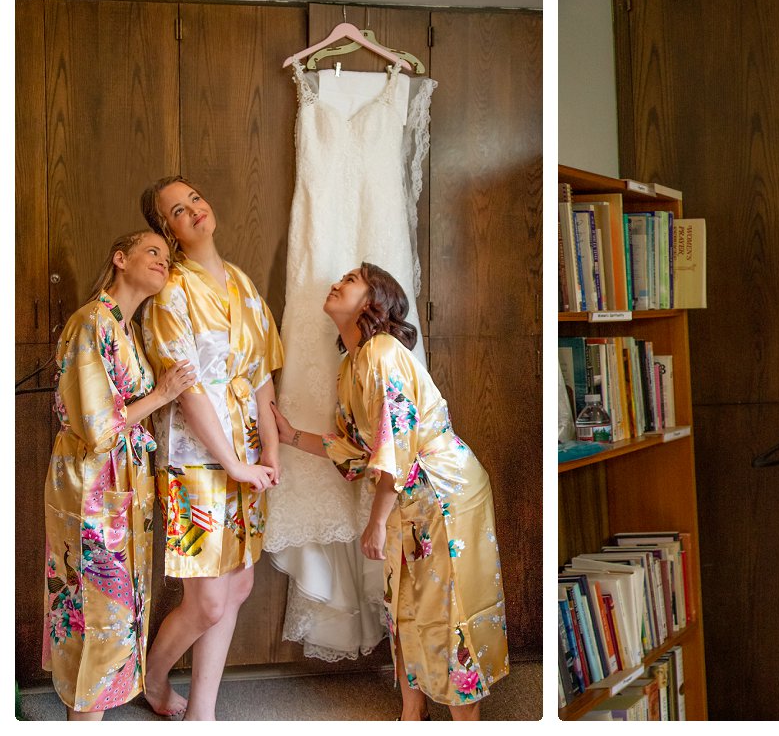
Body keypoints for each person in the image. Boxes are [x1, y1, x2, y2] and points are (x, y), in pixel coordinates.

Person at [272, 263, 508, 721]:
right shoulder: (352, 366)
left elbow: (394, 448)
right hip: (409, 494)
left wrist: (376, 522)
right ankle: (410, 712)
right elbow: (355, 450)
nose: (337, 282)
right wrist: (289, 436)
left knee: (450, 604)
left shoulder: (383, 353)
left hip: (446, 491)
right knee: (402, 602)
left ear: (373, 301)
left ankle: (467, 721)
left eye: (352, 279)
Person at [138, 176, 284, 720]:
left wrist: (269, 449)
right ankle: (152, 677)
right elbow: (191, 392)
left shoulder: (243, 285)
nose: (195, 210)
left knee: (239, 582)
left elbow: (262, 373)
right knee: (208, 599)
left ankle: (203, 713)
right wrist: (233, 463)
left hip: (247, 455)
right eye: (179, 210)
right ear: (167, 231)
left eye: (195, 198)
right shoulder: (170, 293)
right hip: (195, 462)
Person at [43, 231, 196, 720]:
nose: (162, 261)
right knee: (99, 613)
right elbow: (94, 424)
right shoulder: (92, 322)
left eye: (167, 258)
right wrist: (163, 393)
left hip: (121, 482)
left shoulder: (126, 328)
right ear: (120, 259)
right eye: (152, 251)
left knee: (116, 612)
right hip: (92, 483)